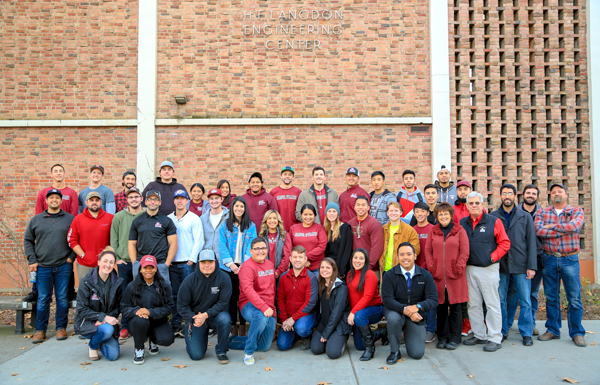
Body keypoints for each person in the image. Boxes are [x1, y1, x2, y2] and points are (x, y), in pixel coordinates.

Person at [534, 183, 587, 347]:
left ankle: (577, 333)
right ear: (550, 195)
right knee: (551, 297)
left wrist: (551, 227)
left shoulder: (576, 211)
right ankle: (553, 329)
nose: (557, 193)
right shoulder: (542, 212)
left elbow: (575, 226)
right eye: (554, 191)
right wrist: (563, 229)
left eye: (560, 191)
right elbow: (539, 231)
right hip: (549, 259)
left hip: (569, 259)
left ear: (566, 194)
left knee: (574, 298)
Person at [460, 191, 510, 352]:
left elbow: (504, 243)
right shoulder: (462, 222)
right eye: (471, 203)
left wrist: (491, 258)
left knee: (492, 303)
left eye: (477, 203)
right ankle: (479, 334)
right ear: (467, 206)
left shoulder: (494, 221)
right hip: (469, 269)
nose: (474, 205)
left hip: (488, 269)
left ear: (482, 205)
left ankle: (495, 337)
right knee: (473, 304)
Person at [24, 188, 76, 343]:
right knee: (43, 298)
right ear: (46, 201)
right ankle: (40, 330)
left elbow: (77, 238)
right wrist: (32, 259)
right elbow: (28, 240)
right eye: (51, 197)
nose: (54, 200)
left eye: (57, 198)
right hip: (43, 266)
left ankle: (61, 328)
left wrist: (71, 257)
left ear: (61, 201)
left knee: (62, 298)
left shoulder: (70, 219)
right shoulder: (36, 220)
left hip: (63, 266)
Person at [490, 184, 537, 346]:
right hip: (501, 265)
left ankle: (526, 332)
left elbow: (532, 243)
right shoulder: (493, 216)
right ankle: (502, 330)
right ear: (500, 196)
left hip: (521, 265)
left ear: (515, 196)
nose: (507, 196)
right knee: (501, 300)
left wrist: (532, 266)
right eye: (504, 193)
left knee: (525, 300)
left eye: (510, 193)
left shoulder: (525, 217)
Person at [28, 164, 78, 303]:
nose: (58, 173)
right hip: (47, 235)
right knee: (41, 270)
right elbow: (38, 216)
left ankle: (70, 291)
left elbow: (74, 216)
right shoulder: (43, 192)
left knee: (67, 266)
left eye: (60, 171)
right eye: (55, 171)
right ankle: (35, 291)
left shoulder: (72, 193)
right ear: (51, 174)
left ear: (64, 173)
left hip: (65, 233)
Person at [381, 243, 438, 363]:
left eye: (408, 254)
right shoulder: (389, 275)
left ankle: (409, 333)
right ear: (397, 257)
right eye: (402, 254)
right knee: (393, 318)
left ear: (415, 256)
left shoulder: (425, 275)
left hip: (416, 315)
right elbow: (387, 300)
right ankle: (395, 351)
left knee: (416, 354)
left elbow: (433, 300)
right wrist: (407, 310)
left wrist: (417, 307)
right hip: (396, 311)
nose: (405, 257)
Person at [424, 203, 469, 350]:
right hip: (438, 276)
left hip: (455, 275)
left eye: (446, 214)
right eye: (440, 214)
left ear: (451, 215)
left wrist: (459, 267)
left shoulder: (459, 230)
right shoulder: (433, 230)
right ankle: (442, 337)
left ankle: (454, 338)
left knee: (455, 307)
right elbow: (428, 251)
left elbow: (464, 251)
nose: (443, 216)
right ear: (436, 217)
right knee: (441, 308)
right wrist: (432, 267)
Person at [177, 250, 232, 364]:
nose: (207, 265)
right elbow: (182, 305)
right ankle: (196, 338)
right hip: (195, 319)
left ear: (215, 262)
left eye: (210, 262)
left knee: (225, 319)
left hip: (214, 316)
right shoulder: (189, 281)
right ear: (198, 263)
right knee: (196, 355)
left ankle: (221, 351)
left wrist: (206, 315)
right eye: (203, 262)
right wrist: (194, 318)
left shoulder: (224, 278)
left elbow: (223, 303)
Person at [228, 238, 277, 365]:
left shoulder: (270, 264)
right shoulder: (247, 267)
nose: (260, 251)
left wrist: (271, 308)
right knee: (260, 316)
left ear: (267, 249)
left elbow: (271, 288)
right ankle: (248, 352)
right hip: (249, 304)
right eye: (257, 249)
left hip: (267, 306)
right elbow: (248, 290)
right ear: (251, 251)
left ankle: (230, 341)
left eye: (263, 248)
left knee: (264, 346)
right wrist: (263, 306)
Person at [121, 255, 175, 364]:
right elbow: (124, 307)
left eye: (151, 267)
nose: (148, 271)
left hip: (157, 320)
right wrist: (137, 311)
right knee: (141, 321)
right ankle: (139, 349)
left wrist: (150, 312)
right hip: (137, 322)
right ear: (140, 269)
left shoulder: (164, 286)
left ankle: (153, 340)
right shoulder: (132, 286)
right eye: (145, 267)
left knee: (167, 339)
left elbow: (169, 308)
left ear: (156, 269)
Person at [507, 184, 544, 336]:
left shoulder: (542, 212)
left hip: (536, 257)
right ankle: (507, 324)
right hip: (516, 259)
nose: (530, 195)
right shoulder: (515, 212)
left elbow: (542, 232)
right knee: (512, 293)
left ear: (537, 196)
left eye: (533, 193)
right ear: (522, 195)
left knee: (532, 293)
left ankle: (531, 323)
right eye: (528, 193)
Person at [74, 247, 123, 361]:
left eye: (111, 262)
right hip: (89, 322)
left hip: (107, 323)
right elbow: (81, 309)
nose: (108, 265)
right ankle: (93, 346)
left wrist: (108, 319)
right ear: (99, 262)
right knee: (107, 331)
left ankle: (101, 340)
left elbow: (119, 306)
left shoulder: (117, 282)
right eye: (105, 261)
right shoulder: (86, 282)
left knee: (113, 356)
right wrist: (102, 317)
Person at [218, 196, 257, 337]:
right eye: (236, 206)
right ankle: (232, 325)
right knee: (231, 297)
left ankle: (242, 325)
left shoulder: (250, 226)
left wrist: (244, 266)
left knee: (243, 296)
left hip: (245, 267)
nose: (239, 209)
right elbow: (222, 246)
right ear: (232, 208)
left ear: (245, 208)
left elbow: (251, 247)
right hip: (228, 268)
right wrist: (232, 265)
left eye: (241, 206)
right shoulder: (224, 225)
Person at [168, 189, 205, 337]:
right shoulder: (168, 218)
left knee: (191, 295)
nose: (179, 201)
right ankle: (176, 324)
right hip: (173, 263)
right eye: (177, 198)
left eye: (182, 198)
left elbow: (199, 240)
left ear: (187, 201)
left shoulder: (194, 218)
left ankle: (192, 324)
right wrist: (168, 259)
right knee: (175, 295)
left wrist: (192, 259)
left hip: (188, 263)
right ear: (174, 201)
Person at [110, 187, 145, 340]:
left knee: (142, 294)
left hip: (142, 262)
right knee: (125, 294)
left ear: (141, 198)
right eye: (131, 197)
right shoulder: (118, 217)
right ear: (127, 199)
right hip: (124, 261)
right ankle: (125, 325)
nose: (134, 200)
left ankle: (141, 324)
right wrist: (117, 257)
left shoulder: (146, 215)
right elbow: (114, 238)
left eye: (136, 197)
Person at [128, 190, 178, 286]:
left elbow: (173, 244)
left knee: (164, 293)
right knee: (139, 293)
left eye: (155, 199)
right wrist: (135, 263)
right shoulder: (137, 221)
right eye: (150, 199)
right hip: (141, 265)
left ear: (160, 202)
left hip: (160, 264)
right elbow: (131, 244)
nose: (152, 202)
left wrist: (166, 264)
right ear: (146, 202)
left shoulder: (166, 221)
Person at [276, 246, 319, 351]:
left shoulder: (311, 278)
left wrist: (293, 319)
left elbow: (310, 303)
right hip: (289, 317)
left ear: (305, 259)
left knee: (302, 328)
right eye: (295, 257)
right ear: (290, 259)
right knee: (282, 345)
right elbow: (280, 299)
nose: (297, 260)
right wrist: (285, 320)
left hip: (306, 315)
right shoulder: (283, 277)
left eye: (300, 257)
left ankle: (306, 335)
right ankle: (296, 334)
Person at [346, 249, 384, 361]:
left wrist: (353, 312)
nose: (358, 261)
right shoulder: (349, 274)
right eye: (355, 257)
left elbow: (367, 297)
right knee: (359, 346)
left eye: (361, 258)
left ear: (366, 260)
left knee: (359, 316)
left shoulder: (370, 274)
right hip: (359, 312)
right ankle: (380, 333)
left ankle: (370, 348)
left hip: (374, 309)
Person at [68, 191, 114, 280]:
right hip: (84, 264)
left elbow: (115, 239)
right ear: (86, 203)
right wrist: (83, 255)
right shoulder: (78, 219)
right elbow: (71, 239)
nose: (94, 202)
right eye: (91, 200)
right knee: (85, 291)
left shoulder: (110, 218)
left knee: (104, 291)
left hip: (105, 264)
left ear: (101, 202)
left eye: (97, 200)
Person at [311, 258, 351, 359]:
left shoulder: (341, 287)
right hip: (324, 323)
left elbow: (336, 314)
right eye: (322, 267)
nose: (325, 270)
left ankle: (341, 340)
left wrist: (326, 334)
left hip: (338, 325)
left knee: (333, 353)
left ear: (333, 270)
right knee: (316, 349)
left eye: (328, 267)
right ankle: (331, 340)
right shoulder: (320, 284)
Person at [276, 204, 328, 277]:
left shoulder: (319, 228)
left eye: (310, 214)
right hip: (297, 268)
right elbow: (289, 247)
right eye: (305, 214)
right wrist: (301, 260)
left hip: (315, 268)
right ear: (301, 215)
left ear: (314, 215)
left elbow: (322, 247)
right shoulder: (293, 228)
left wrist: (305, 258)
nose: (308, 217)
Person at [378, 201, 420, 274]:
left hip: (403, 269)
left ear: (401, 213)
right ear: (387, 213)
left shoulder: (410, 230)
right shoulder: (382, 229)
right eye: (391, 211)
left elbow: (415, 249)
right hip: (385, 269)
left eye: (396, 211)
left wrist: (406, 262)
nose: (393, 213)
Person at [348, 196, 384, 272]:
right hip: (354, 267)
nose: (360, 207)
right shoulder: (350, 224)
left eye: (363, 205)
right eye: (358, 205)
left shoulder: (374, 224)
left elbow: (377, 247)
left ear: (368, 207)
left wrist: (368, 266)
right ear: (354, 207)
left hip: (370, 269)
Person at [323, 202, 353, 278]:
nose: (331, 214)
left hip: (340, 265)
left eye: (334, 211)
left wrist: (341, 270)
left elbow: (347, 250)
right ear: (326, 213)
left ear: (338, 214)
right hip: (328, 265)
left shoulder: (345, 228)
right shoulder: (324, 229)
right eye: (329, 211)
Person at [270, 166, 302, 232]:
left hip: (295, 228)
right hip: (278, 229)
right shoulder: (273, 192)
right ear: (281, 176)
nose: (287, 176)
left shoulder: (298, 192)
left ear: (293, 177)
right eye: (285, 174)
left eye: (290, 175)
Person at [200, 188, 229, 259]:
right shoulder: (202, 218)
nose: (214, 201)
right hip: (207, 258)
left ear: (222, 199)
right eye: (211, 199)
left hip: (224, 259)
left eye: (217, 198)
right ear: (208, 200)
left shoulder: (229, 216)